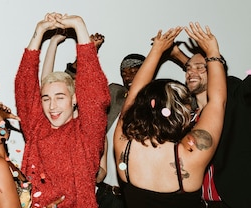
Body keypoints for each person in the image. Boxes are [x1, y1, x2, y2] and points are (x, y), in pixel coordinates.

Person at [113, 23, 226, 207]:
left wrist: (156, 50)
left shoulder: (124, 144)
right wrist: (213, 50)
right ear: (180, 113)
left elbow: (133, 96)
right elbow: (217, 102)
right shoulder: (190, 156)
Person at [15, 12, 109, 207]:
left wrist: (79, 26)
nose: (52, 106)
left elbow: (95, 96)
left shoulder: (86, 134)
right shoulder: (36, 128)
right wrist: (39, 31)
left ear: (74, 99)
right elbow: (25, 85)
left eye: (60, 97)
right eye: (46, 98)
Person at [170, 35, 251, 208]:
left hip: (233, 201)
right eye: (188, 68)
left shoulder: (234, 100)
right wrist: (178, 54)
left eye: (201, 68)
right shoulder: (188, 117)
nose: (191, 72)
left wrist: (211, 56)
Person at [96, 53, 145, 208]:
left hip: (138, 197)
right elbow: (82, 92)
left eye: (133, 71)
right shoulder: (115, 96)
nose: (128, 77)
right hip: (107, 194)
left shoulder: (155, 107)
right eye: (124, 73)